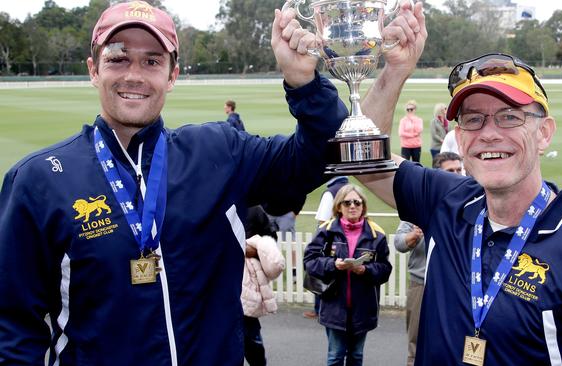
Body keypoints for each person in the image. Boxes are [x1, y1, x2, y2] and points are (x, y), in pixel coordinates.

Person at [0, 2, 349, 365]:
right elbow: (12, 327)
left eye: (151, 61)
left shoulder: (220, 152)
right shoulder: (39, 179)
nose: (134, 74)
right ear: (93, 70)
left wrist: (304, 84)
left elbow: (322, 155)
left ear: (172, 75)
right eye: (118, 58)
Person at [356, 12, 562, 362]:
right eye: (473, 119)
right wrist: (396, 70)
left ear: (544, 133)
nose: (489, 132)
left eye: (509, 116)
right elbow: (364, 159)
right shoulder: (447, 201)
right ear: (459, 137)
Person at [304, 184, 392, 366]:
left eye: (357, 202)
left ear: (363, 206)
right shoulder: (326, 231)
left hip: (363, 306)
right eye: (347, 203)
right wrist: (332, 265)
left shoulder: (377, 234)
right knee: (335, 356)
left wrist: (366, 270)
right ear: (338, 206)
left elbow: (385, 269)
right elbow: (310, 261)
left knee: (356, 356)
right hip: (334, 305)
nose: (352, 206)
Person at [394, 150, 464, 366]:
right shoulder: (422, 202)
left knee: (459, 343)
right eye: (450, 171)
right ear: (438, 175)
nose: (456, 174)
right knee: (417, 341)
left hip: (458, 288)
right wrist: (414, 236)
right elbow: (398, 242)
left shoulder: (472, 201)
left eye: (458, 170)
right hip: (423, 284)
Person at [241, 206, 284, 366]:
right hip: (221, 286)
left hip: (247, 285)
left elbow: (270, 240)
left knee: (253, 345)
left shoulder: (253, 209)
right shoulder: (217, 203)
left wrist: (256, 249)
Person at [305, 175, 350, 320]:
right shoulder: (350, 190)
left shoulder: (330, 192)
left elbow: (322, 221)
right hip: (349, 239)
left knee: (323, 274)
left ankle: (319, 309)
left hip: (331, 241)